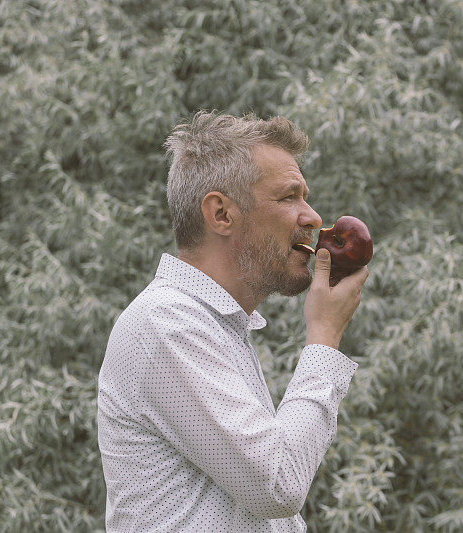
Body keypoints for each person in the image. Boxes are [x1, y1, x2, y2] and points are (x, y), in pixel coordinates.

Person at [97, 111, 370, 532]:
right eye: (288, 197)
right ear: (221, 213)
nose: (314, 217)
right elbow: (277, 486)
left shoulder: (214, 325)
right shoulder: (167, 324)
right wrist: (323, 337)